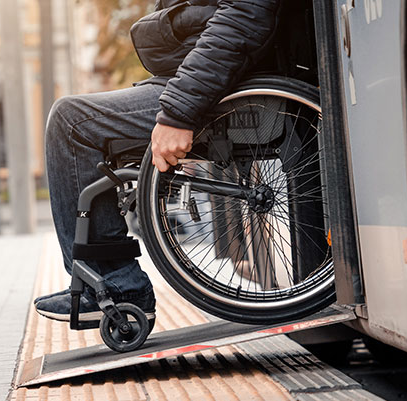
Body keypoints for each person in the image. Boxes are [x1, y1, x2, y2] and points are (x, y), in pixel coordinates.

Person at [33, 0, 282, 329]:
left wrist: (178, 111)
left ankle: (114, 284)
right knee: (73, 117)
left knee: (72, 123)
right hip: (207, 79)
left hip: (225, 87)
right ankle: (113, 281)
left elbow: (244, 16)